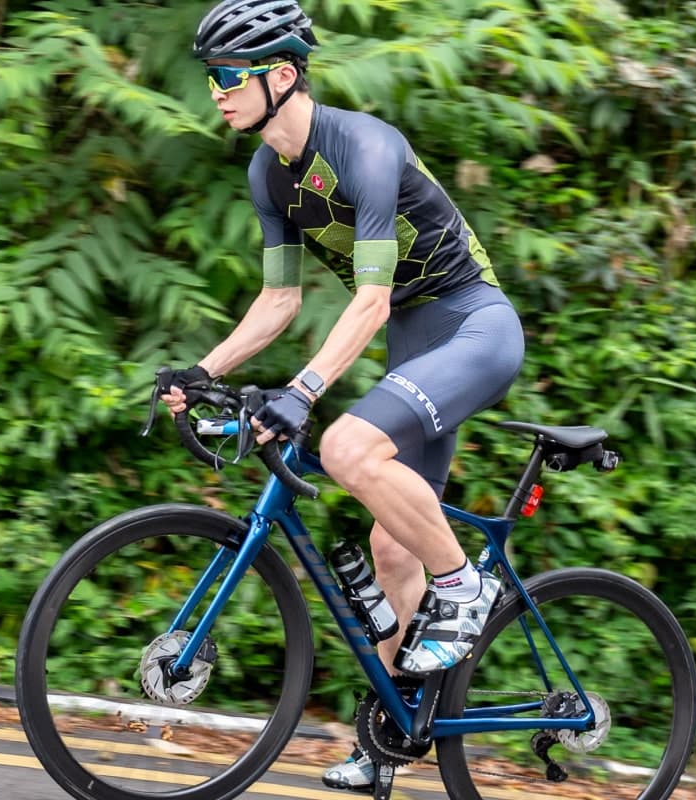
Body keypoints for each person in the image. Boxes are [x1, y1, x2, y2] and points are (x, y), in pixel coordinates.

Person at [159, 0, 526, 790]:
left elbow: (370, 299)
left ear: (282, 76)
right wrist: (203, 372)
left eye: (230, 76)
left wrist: (302, 390)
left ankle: (468, 586)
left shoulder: (364, 145)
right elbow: (280, 301)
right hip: (416, 343)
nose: (216, 91)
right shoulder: (268, 171)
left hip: (473, 328)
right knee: (393, 547)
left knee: (343, 445)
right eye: (211, 78)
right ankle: (390, 740)